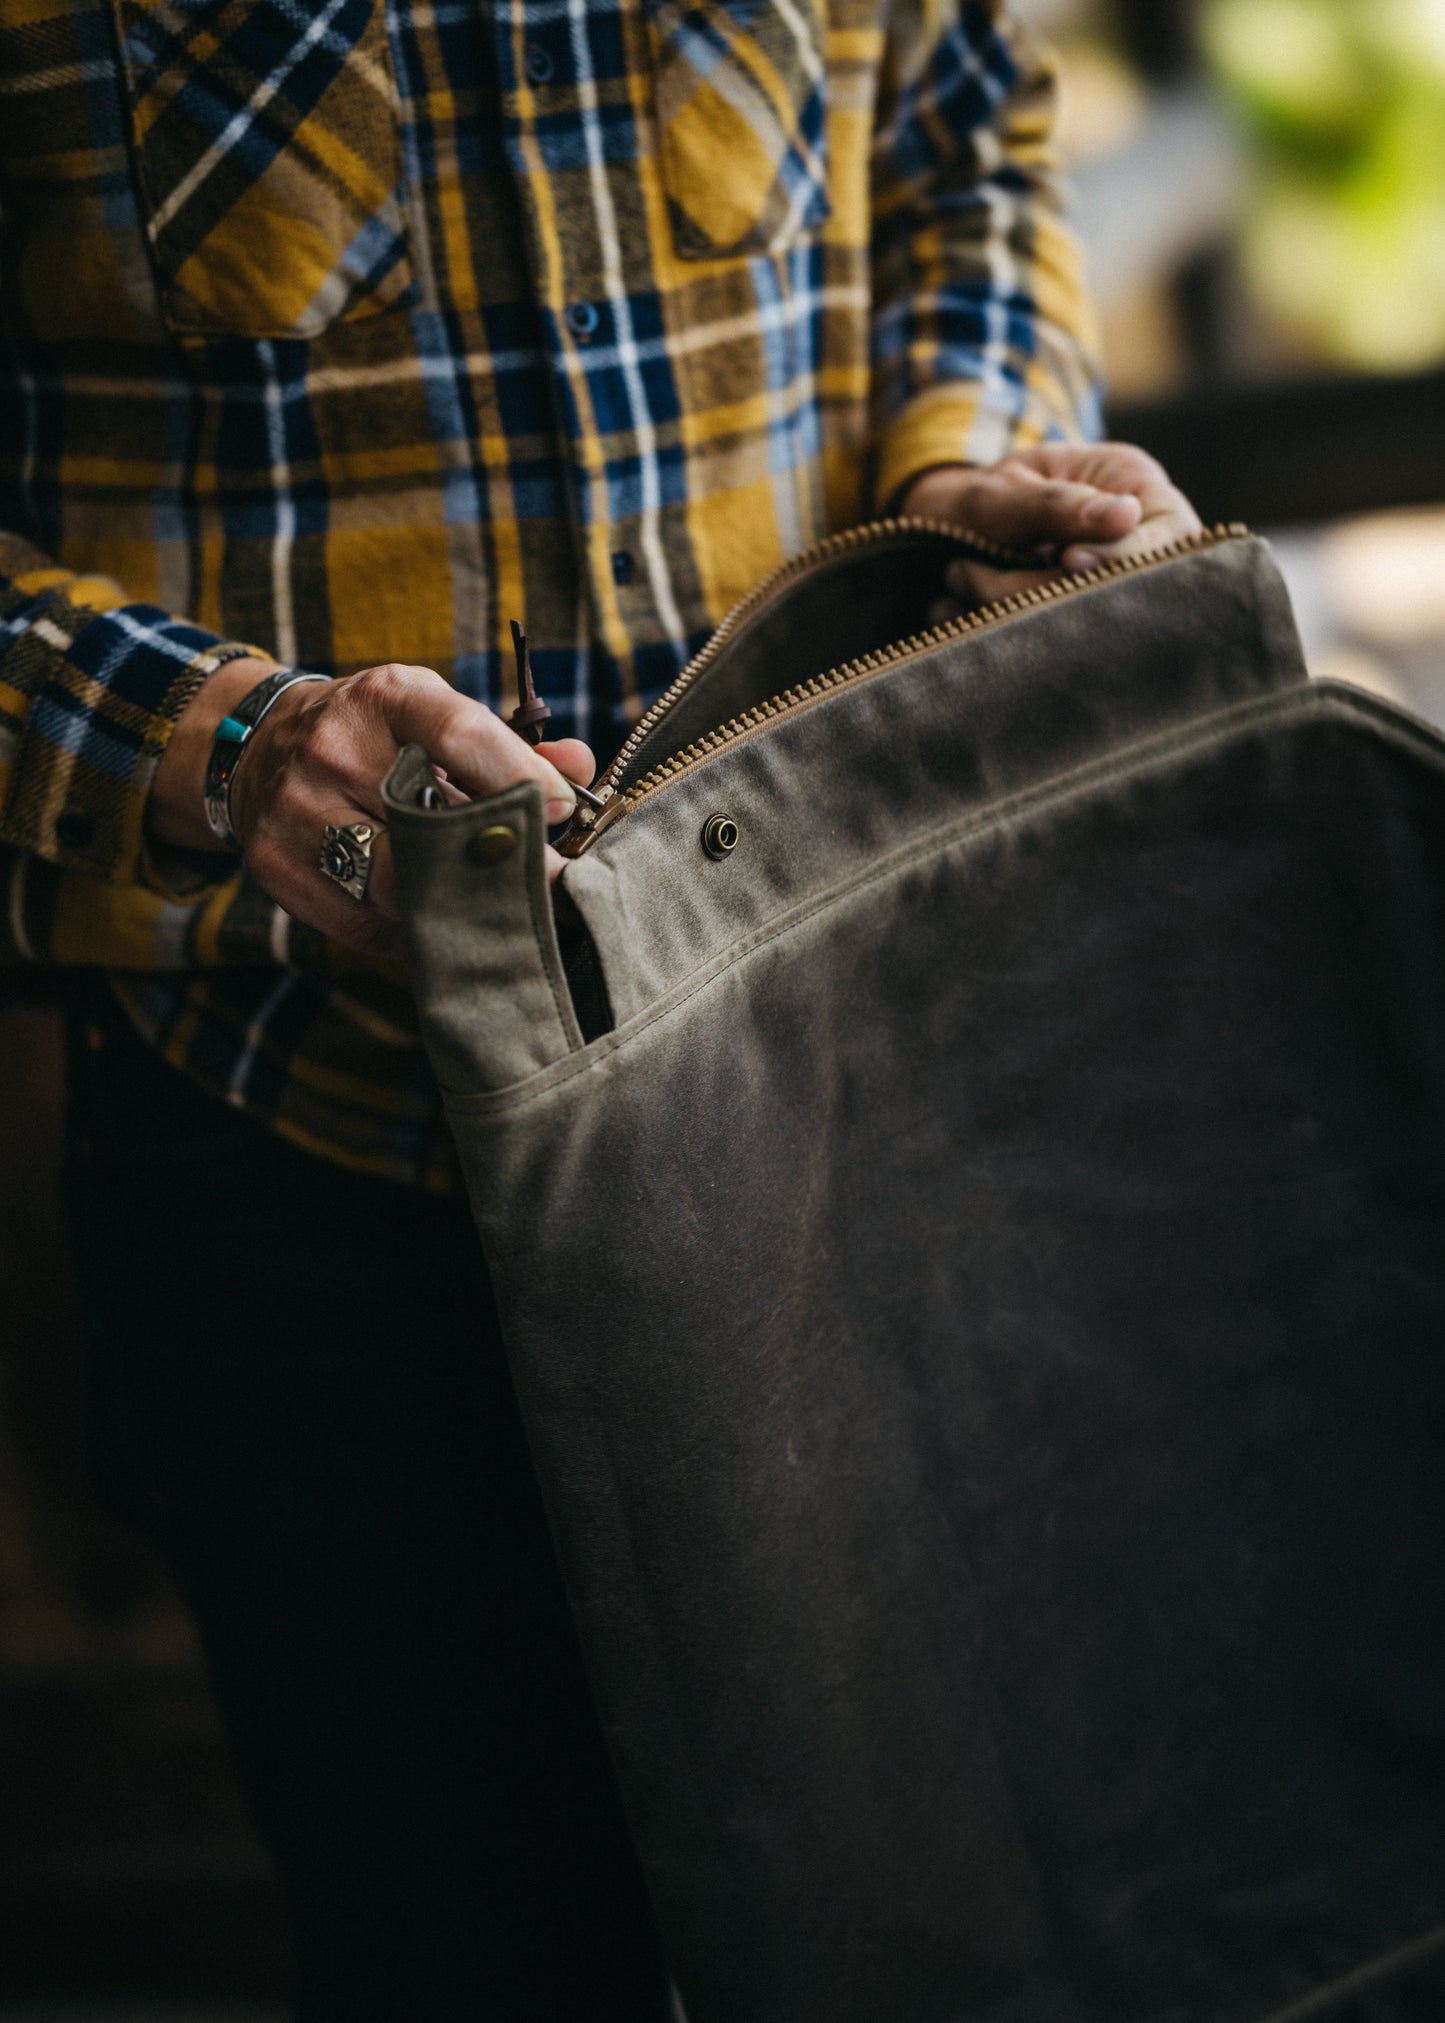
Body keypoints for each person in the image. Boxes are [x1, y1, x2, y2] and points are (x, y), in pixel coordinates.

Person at [0, 0, 1201, 2011]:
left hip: (852, 1088)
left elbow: (959, 136)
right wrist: (199, 744)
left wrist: (975, 483)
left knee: (966, 1931)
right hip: (317, 1184)